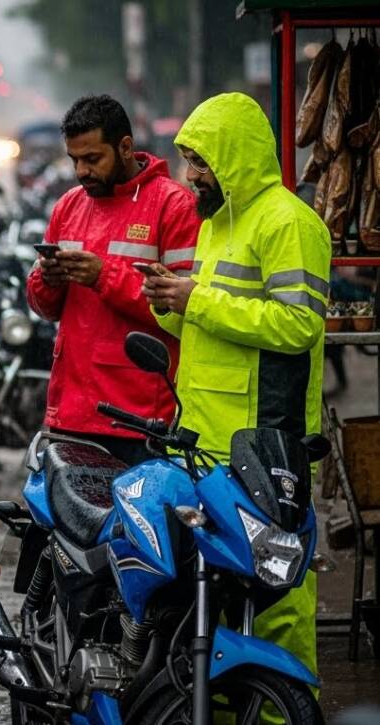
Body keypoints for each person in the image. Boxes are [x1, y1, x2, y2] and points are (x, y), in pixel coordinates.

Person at [143, 92, 330, 681]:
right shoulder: (217, 224)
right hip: (207, 443)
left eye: (200, 161)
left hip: (266, 442)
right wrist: (169, 304)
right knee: (215, 607)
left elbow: (299, 325)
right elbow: (210, 322)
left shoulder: (289, 222)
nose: (190, 175)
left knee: (277, 603)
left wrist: (196, 299)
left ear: (234, 157)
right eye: (187, 160)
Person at [27, 95, 201, 465]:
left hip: (138, 419)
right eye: (74, 160)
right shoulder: (69, 205)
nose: (81, 171)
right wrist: (48, 280)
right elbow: (43, 307)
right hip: (71, 412)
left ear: (125, 147)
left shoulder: (174, 205)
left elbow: (185, 312)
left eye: (92, 159)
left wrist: (103, 276)